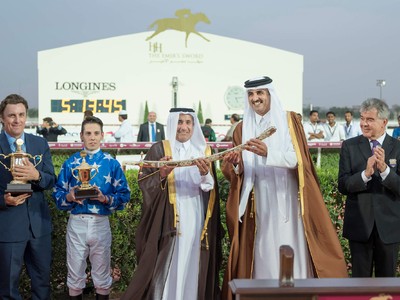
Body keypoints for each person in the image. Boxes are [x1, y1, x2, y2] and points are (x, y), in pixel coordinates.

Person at [221, 76, 348, 299]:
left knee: (290, 249)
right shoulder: (242, 128)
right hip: (258, 203)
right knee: (262, 253)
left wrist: (267, 152)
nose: (255, 98)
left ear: (270, 94)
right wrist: (236, 164)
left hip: (288, 201)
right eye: (251, 94)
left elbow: (299, 160)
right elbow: (239, 171)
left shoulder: (289, 121)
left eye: (260, 93)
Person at [121, 108, 222, 300]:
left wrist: (204, 173)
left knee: (193, 259)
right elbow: (144, 181)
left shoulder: (203, 151)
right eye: (179, 122)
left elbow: (210, 187)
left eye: (188, 122)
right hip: (167, 216)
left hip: (196, 213)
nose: (183, 127)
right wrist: (161, 174)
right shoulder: (159, 148)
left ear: (194, 125)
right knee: (169, 259)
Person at [53, 116, 131, 299]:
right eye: (88, 133)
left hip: (100, 223)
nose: (92, 137)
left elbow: (124, 195)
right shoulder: (70, 163)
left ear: (103, 135)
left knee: (102, 275)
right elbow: (57, 196)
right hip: (77, 223)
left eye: (96, 133)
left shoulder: (111, 163)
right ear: (81, 135)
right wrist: (69, 197)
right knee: (74, 275)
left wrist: (105, 199)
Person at [0, 94, 56, 299]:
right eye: (12, 115)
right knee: (7, 288)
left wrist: (37, 176)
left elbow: (51, 180)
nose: (17, 120)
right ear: (2, 118)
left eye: (21, 114)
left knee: (42, 284)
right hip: (7, 226)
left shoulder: (39, 143)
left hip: (38, 227)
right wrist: (3, 200)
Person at [338, 98, 400, 277]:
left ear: (384, 122)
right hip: (359, 228)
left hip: (389, 229)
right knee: (359, 285)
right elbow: (343, 185)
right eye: (362, 118)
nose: (364, 124)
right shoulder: (349, 146)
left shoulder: (397, 148)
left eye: (370, 120)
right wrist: (365, 174)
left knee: (386, 285)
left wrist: (385, 170)